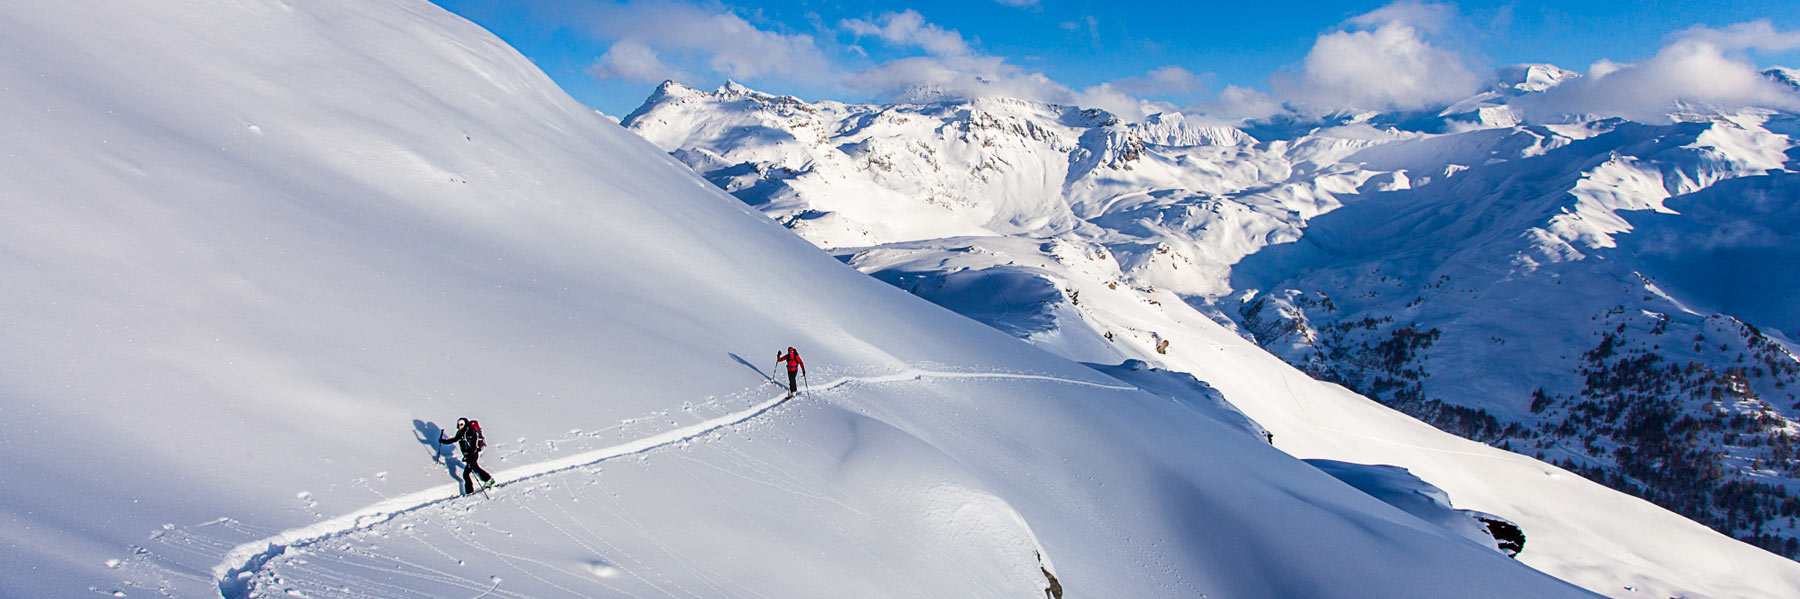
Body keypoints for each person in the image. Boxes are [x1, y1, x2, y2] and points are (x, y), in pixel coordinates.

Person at [439, 417, 495, 494]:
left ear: (465, 424)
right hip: (468, 456)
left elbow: (474, 446)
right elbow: (454, 439)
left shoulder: (470, 432)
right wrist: (443, 441)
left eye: (461, 424)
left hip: (473, 455)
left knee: (465, 474)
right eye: (458, 424)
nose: (459, 426)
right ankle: (489, 479)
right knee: (476, 468)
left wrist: (468, 456)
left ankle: (469, 492)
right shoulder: (461, 432)